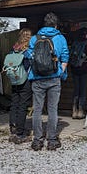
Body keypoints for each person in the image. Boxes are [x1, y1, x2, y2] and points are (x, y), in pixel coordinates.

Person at [25, 12, 69, 151]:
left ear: (44, 24)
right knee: (52, 109)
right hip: (53, 78)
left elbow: (28, 55)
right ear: (56, 25)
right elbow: (65, 56)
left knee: (37, 109)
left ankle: (37, 141)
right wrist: (60, 71)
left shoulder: (34, 38)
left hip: (37, 78)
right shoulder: (60, 38)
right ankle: (52, 140)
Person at [8, 28, 33, 144]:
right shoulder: (27, 51)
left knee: (14, 104)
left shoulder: (14, 48)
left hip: (14, 79)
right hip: (25, 80)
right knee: (23, 106)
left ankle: (13, 129)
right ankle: (20, 133)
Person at [70, 28, 87, 119]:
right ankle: (80, 111)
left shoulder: (75, 43)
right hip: (84, 69)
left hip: (75, 69)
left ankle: (74, 111)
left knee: (76, 90)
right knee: (82, 90)